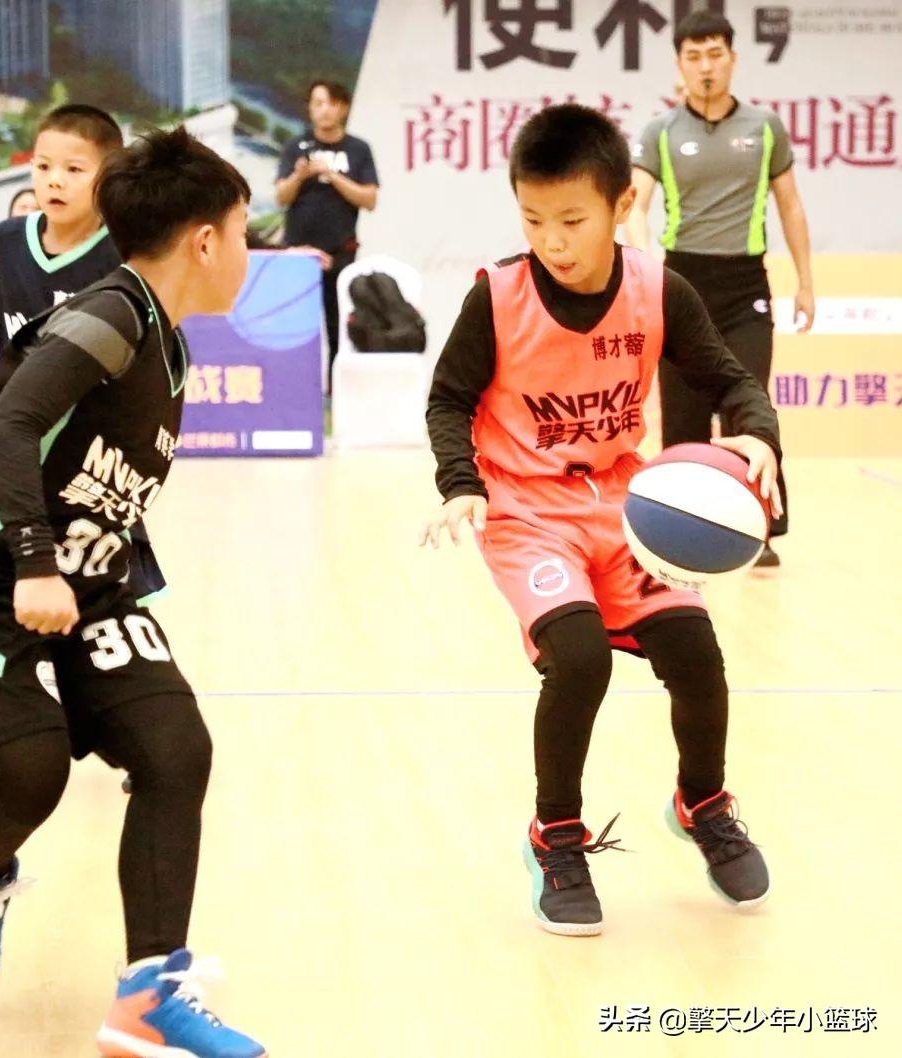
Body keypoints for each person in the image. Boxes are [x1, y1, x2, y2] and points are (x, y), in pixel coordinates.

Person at [0, 123, 266, 1058]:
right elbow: (10, 425)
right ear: (205, 241)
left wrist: (84, 572)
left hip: (89, 584)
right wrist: (33, 560)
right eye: (244, 231)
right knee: (31, 767)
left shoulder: (168, 341)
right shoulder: (111, 315)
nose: (249, 251)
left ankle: (148, 998)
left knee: (176, 749)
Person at [423, 104, 781, 937]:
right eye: (533, 219)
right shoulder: (498, 296)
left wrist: (758, 431)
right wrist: (460, 482)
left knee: (696, 653)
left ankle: (702, 804)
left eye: (572, 220)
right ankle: (556, 835)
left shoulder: (658, 290)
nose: (552, 241)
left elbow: (729, 377)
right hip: (526, 511)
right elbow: (448, 398)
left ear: (622, 205)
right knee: (579, 658)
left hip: (624, 506)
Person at [0, 104, 165, 604]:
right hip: (11, 434)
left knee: (98, 590)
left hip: (87, 449)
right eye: (42, 166)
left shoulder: (123, 256)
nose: (54, 180)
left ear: (108, 177)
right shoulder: (6, 240)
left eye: (74, 169)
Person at [625, 9, 814, 567]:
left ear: (732, 58)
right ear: (679, 65)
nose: (705, 66)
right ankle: (674, 537)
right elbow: (634, 205)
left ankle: (761, 530)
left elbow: (790, 205)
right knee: (683, 417)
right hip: (682, 283)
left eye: (715, 54)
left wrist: (806, 282)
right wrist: (644, 265)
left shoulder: (764, 127)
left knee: (748, 402)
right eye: (693, 56)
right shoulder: (661, 132)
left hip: (745, 284)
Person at [274, 80, 379, 371]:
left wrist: (332, 175)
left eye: (331, 103)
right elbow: (281, 196)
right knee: (295, 327)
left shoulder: (358, 149)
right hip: (298, 254)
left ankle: (336, 388)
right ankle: (295, 385)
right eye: (318, 103)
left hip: (340, 251)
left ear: (343, 108)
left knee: (339, 327)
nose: (325, 110)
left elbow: (369, 199)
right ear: (309, 109)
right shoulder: (295, 147)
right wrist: (299, 175)